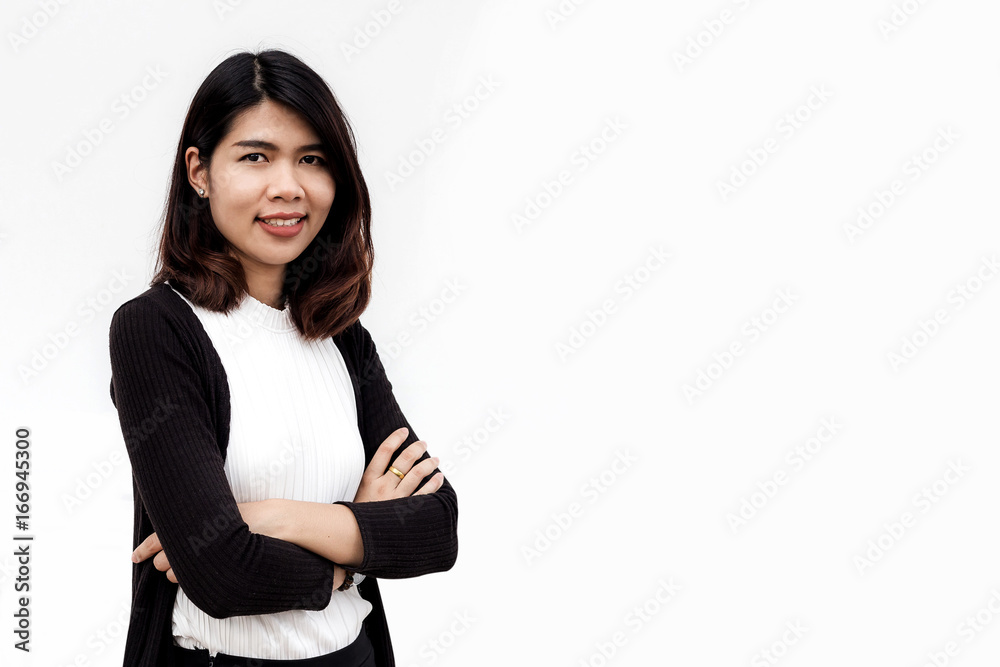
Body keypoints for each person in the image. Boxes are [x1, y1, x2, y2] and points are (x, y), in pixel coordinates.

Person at [107, 48, 459, 667]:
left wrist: (269, 517)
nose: (289, 187)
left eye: (312, 159)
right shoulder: (156, 330)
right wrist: (354, 545)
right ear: (199, 171)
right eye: (256, 157)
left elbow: (435, 528)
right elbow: (222, 575)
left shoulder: (341, 335)